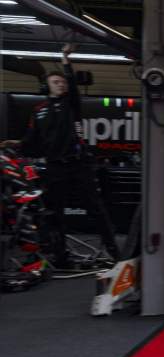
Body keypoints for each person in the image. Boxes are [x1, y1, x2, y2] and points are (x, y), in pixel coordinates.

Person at [3, 44, 119, 267]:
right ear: (47, 86)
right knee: (55, 214)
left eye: (63, 82)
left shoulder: (71, 104)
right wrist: (15, 144)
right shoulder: (39, 110)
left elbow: (73, 85)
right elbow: (31, 141)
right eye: (56, 82)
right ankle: (60, 256)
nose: (61, 85)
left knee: (97, 209)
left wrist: (65, 60)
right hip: (55, 167)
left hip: (79, 164)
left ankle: (115, 252)